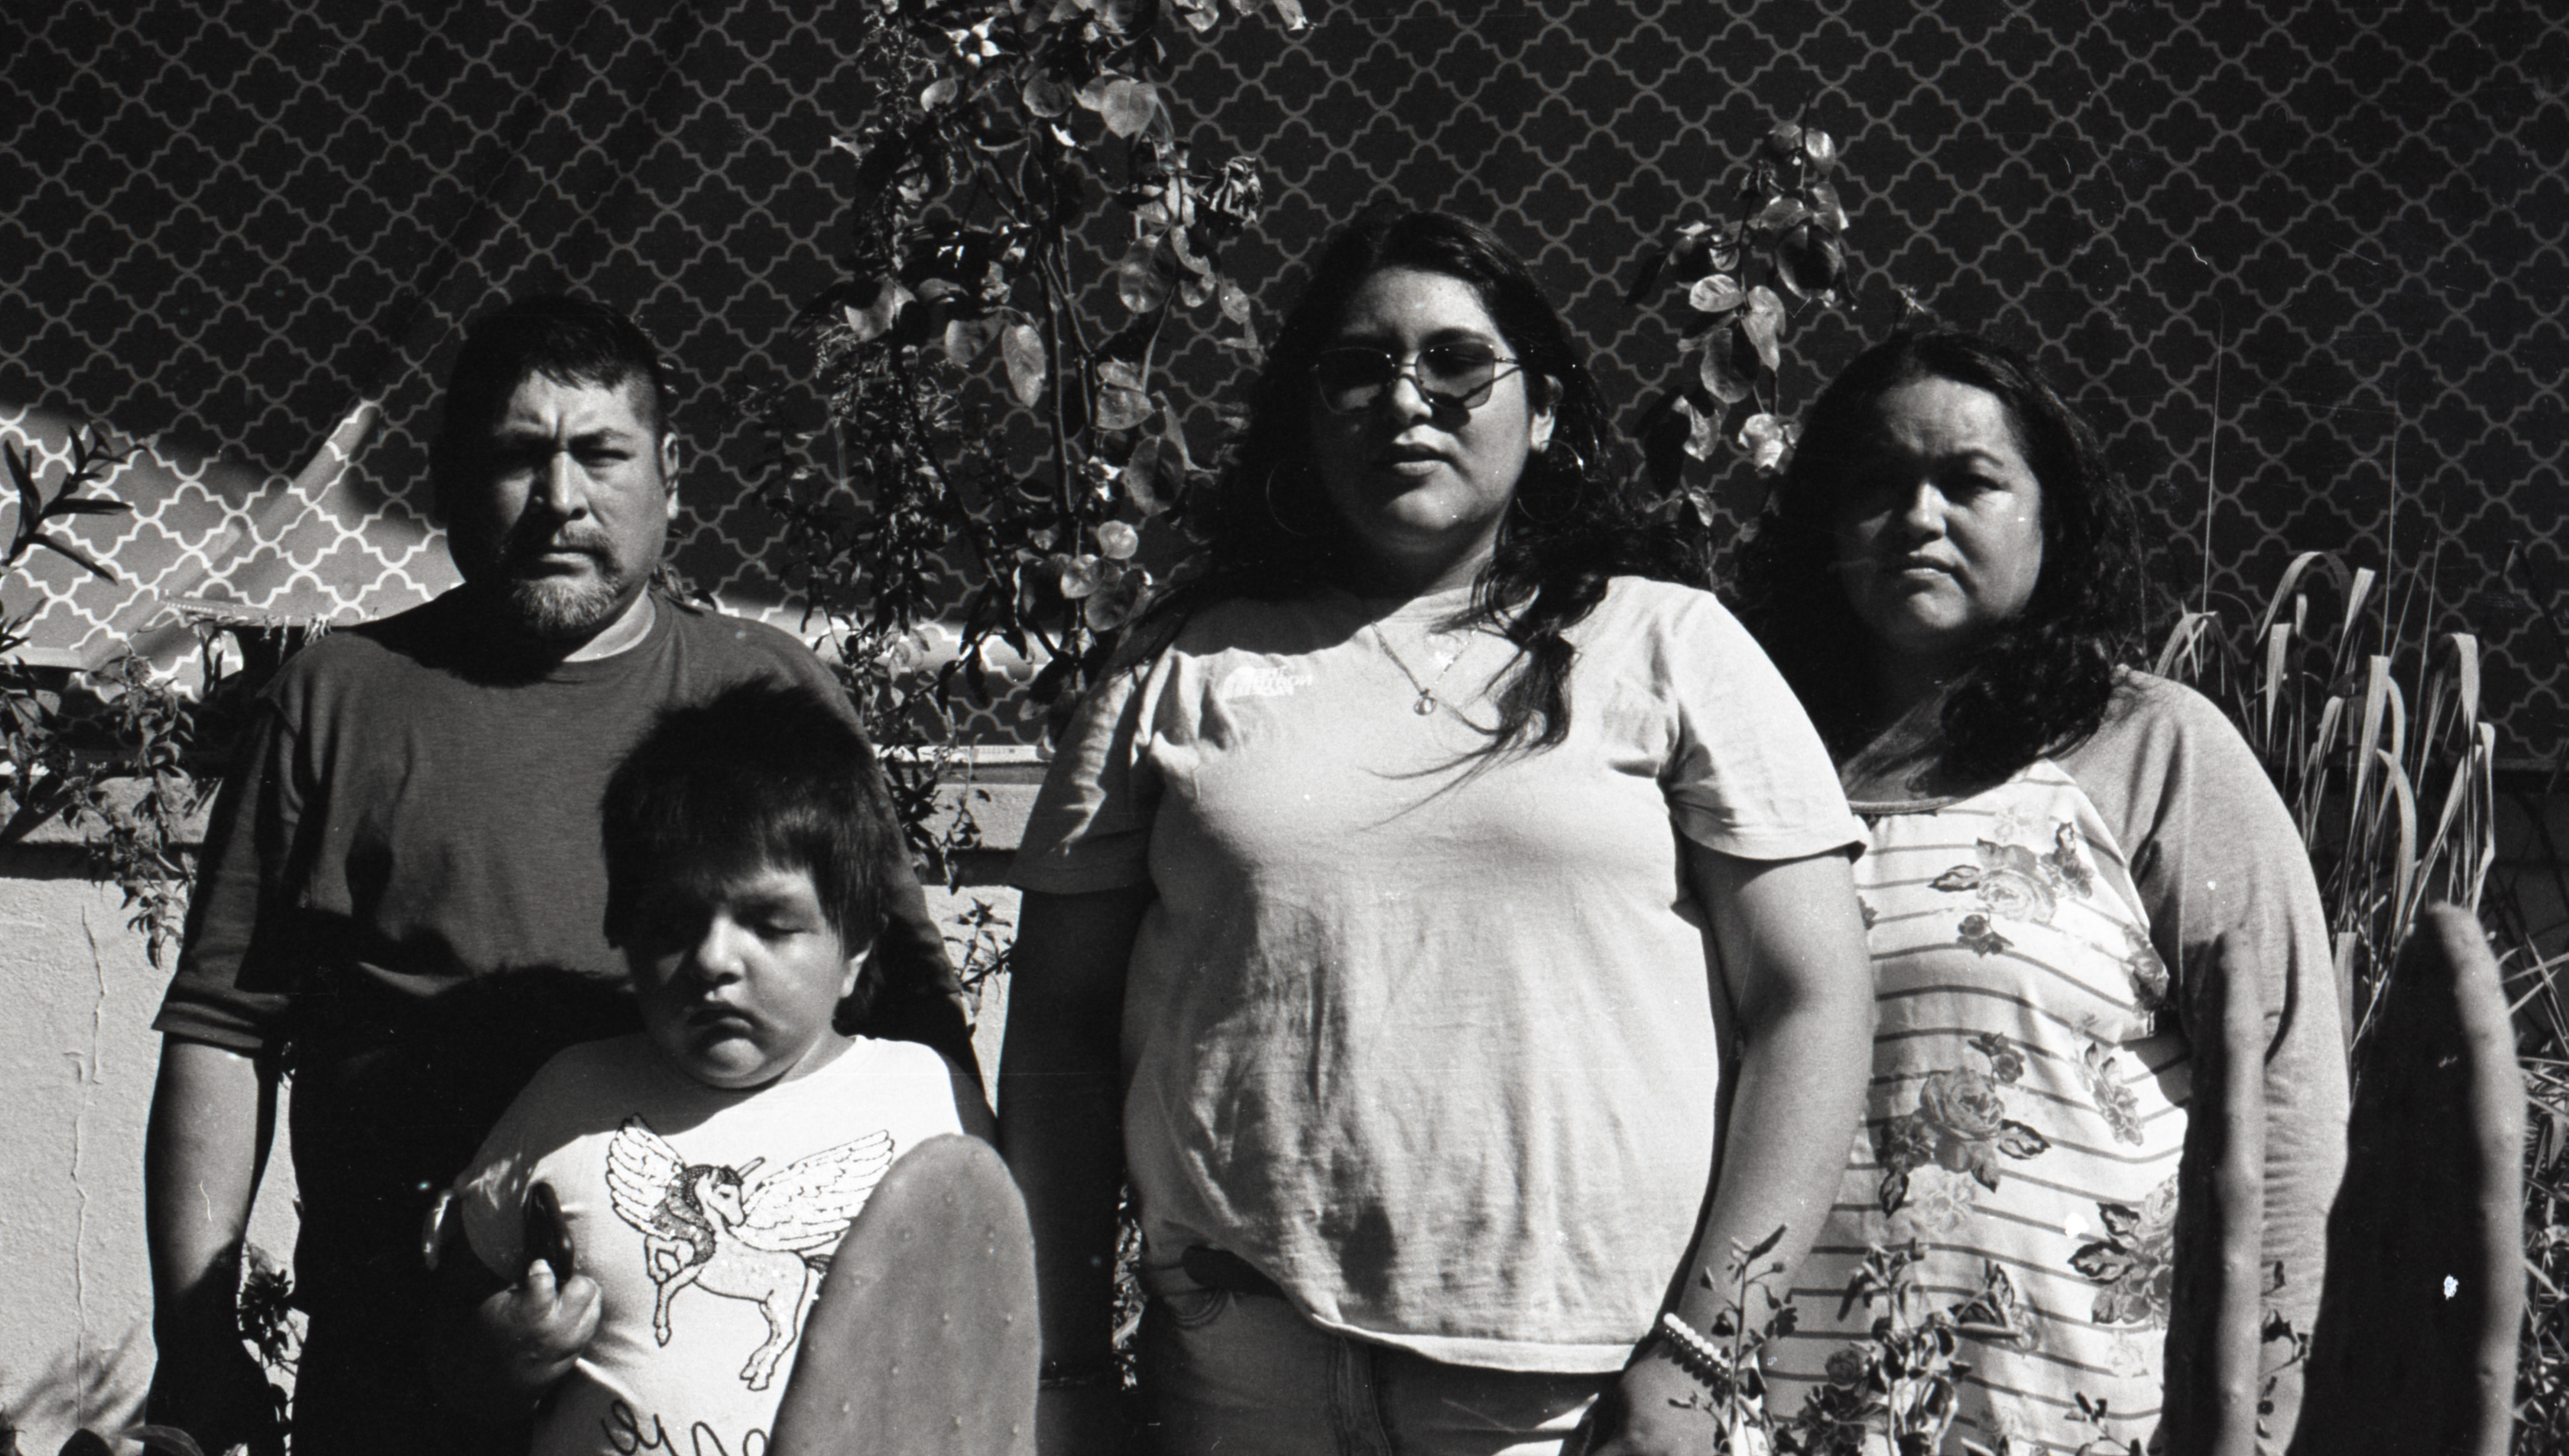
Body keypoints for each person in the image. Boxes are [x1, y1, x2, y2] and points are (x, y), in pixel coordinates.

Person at [998, 209, 1877, 1456]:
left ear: (1546, 411)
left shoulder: (1670, 645)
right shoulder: (1181, 667)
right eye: (1358, 370)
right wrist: (1066, 1367)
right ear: (1308, 417)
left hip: (1579, 1395)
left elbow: (1814, 1003)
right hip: (1243, 1377)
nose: (1407, 399)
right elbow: (1059, 1043)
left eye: (1458, 363)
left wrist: (1703, 1354)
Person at [145, 295, 978, 1456]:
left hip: (739, 1391)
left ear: (671, 477)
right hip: (400, 1392)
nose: (561, 499)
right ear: (443, 479)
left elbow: (914, 1028)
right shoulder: (340, 701)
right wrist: (195, 1336)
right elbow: (224, 1031)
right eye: (517, 457)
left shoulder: (769, 691)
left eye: (601, 453)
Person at [1739, 331, 2348, 1455]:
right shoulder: (1747, 758)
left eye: (1969, 481)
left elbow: (2285, 1093)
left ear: (2050, 521)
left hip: (2076, 1415)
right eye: (1877, 485)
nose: (1919, 518)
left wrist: (2258, 1415)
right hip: (1766, 1410)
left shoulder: (2148, 747)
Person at [437, 681, 997, 1455]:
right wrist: (506, 1351)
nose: (714, 960)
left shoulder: (926, 1102)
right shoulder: (569, 1099)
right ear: (622, 931)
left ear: (857, 946)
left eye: (770, 922)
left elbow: (993, 1332)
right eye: (674, 923)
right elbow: (455, 1320)